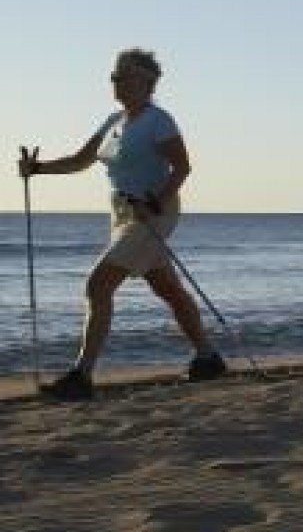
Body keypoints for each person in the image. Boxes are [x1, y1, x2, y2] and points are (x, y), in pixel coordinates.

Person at [19, 47, 227, 402]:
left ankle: (82, 376)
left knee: (98, 285)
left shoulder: (159, 120)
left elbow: (182, 168)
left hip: (153, 212)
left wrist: (155, 201)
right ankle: (208, 358)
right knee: (168, 290)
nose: (117, 83)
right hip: (122, 215)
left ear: (147, 81)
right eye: (114, 76)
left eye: (125, 76)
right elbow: (81, 160)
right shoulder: (113, 122)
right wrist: (38, 169)